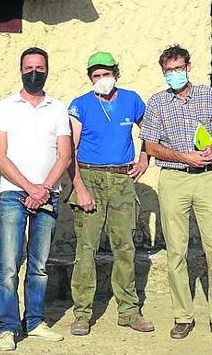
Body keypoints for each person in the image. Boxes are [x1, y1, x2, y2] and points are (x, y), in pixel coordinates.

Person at [140, 45, 212, 341]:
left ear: (188, 67)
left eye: (178, 68)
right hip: (173, 179)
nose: (174, 74)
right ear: (163, 72)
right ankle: (183, 316)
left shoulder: (208, 95)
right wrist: (185, 157)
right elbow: (150, 145)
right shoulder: (157, 102)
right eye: (168, 70)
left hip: (206, 179)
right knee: (176, 251)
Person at [0, 47, 72, 351]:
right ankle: (8, 327)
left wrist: (44, 189)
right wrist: (29, 187)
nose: (33, 72)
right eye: (28, 67)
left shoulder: (58, 108)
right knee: (9, 265)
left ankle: (35, 321)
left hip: (49, 194)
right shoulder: (4, 107)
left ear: (47, 70)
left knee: (39, 265)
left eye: (39, 67)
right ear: (20, 70)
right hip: (12, 193)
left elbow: (64, 155)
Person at [67, 51, 153, 336]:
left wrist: (144, 159)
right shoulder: (80, 105)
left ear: (116, 73)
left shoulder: (131, 99)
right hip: (90, 176)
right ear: (90, 78)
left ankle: (129, 310)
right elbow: (70, 150)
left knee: (125, 247)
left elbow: (149, 130)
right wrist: (79, 187)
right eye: (96, 75)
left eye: (106, 74)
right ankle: (82, 313)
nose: (102, 79)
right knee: (86, 249)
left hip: (121, 179)